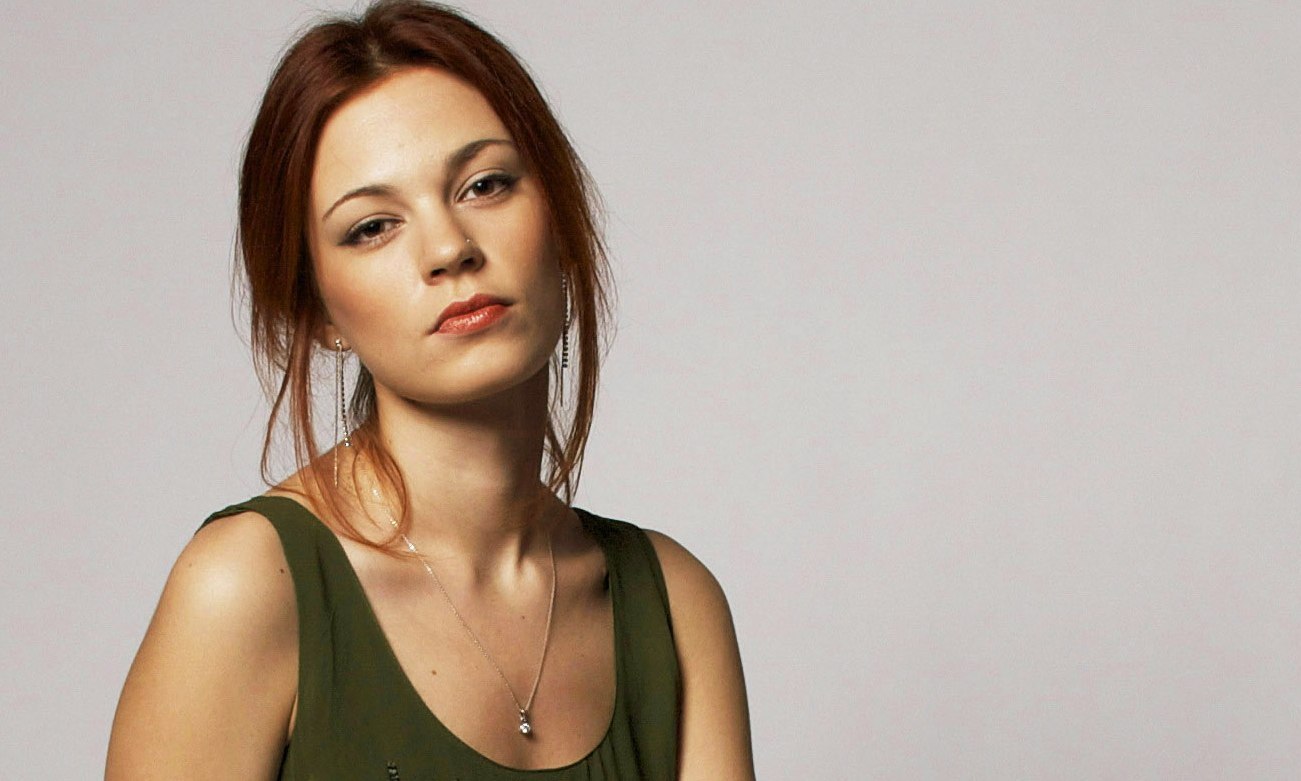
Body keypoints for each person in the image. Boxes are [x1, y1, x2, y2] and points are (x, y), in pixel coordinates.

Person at [104, 1, 754, 778]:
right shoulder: (247, 585)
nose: (449, 248)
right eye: (372, 226)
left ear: (561, 220)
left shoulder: (674, 605)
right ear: (316, 310)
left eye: (484, 184)